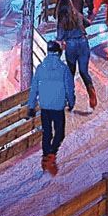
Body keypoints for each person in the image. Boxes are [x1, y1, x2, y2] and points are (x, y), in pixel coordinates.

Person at [27, 40, 75, 176]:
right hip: (58, 107)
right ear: (59, 53)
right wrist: (71, 102)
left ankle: (45, 158)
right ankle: (51, 156)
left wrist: (31, 106)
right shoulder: (63, 68)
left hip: (45, 106)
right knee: (60, 133)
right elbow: (69, 89)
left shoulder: (41, 68)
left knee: (47, 133)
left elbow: (34, 88)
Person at [56, 0, 96, 110]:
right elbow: (88, 23)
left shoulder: (62, 19)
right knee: (84, 71)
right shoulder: (77, 14)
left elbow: (59, 36)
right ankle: (91, 92)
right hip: (83, 43)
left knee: (71, 73)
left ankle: (70, 99)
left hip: (71, 46)